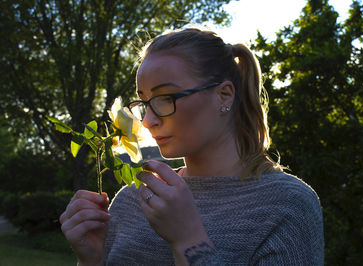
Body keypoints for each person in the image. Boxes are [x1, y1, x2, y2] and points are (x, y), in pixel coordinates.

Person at [59, 27, 324, 265]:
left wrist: (187, 239)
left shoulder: (287, 204)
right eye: (144, 102)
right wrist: (91, 260)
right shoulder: (133, 198)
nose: (149, 121)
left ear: (224, 95)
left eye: (164, 98)